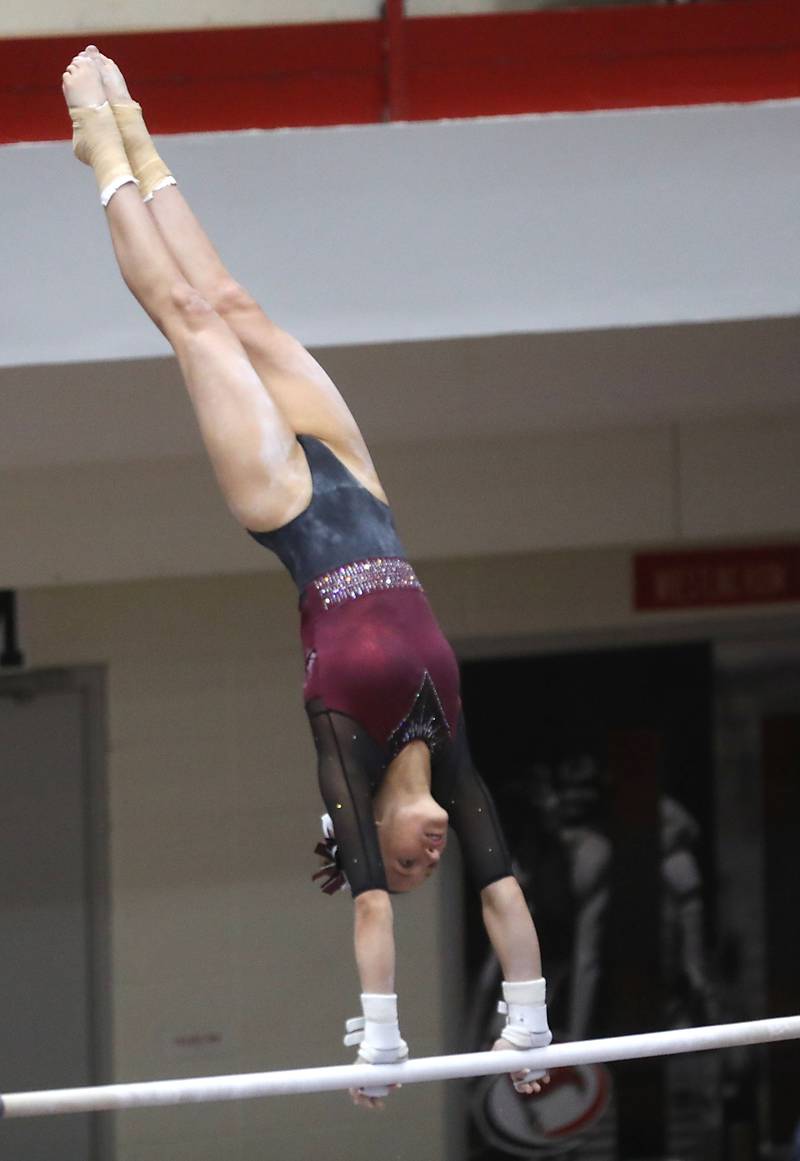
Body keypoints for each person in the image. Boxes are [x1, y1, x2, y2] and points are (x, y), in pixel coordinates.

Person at [61, 47, 552, 1109]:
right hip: (363, 486)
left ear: (369, 838)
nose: (426, 857)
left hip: (284, 505)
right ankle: (140, 134)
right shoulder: (453, 762)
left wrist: (380, 1043)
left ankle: (101, 157)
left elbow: (369, 916)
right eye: (432, 865)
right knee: (233, 298)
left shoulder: (350, 743)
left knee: (189, 322)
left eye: (408, 865)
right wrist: (529, 1030)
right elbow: (504, 896)